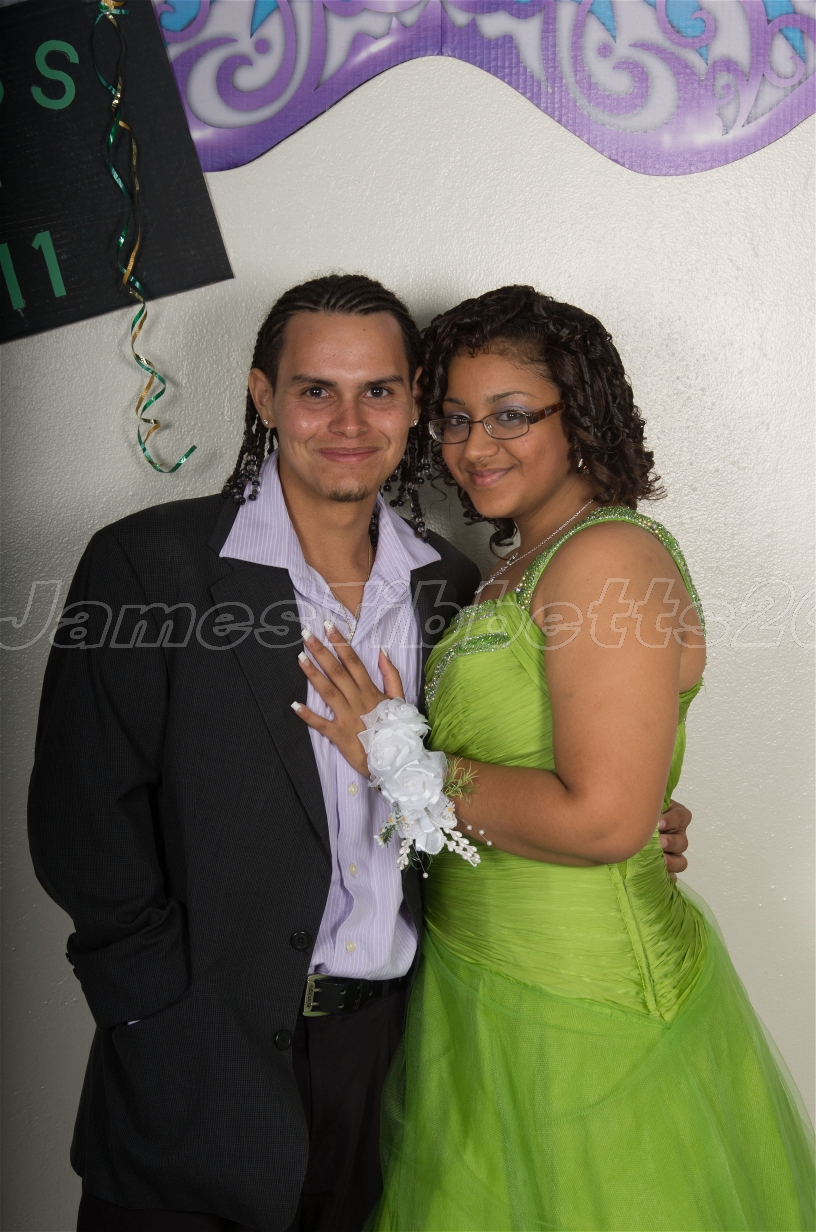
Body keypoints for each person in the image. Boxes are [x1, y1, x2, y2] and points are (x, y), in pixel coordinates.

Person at [293, 285, 815, 1231]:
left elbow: (605, 820)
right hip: (476, 988)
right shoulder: (514, 567)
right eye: (455, 419)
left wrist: (393, 752)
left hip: (583, 999)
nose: (473, 447)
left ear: (581, 415)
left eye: (510, 416)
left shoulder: (607, 556)